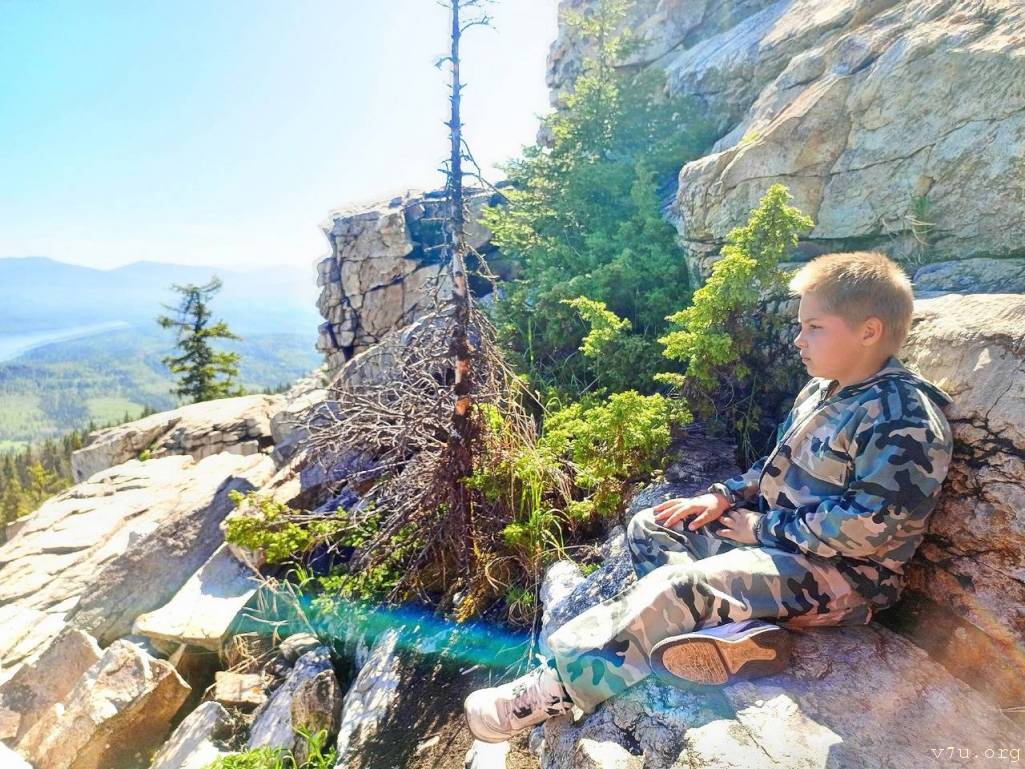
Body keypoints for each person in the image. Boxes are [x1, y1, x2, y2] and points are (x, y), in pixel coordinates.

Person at [464, 251, 954, 743]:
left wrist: (760, 529)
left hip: (841, 577)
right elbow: (773, 467)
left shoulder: (902, 416)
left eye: (814, 327)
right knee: (656, 525)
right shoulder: (825, 390)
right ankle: (733, 638)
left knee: (681, 586)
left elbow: (872, 527)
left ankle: (552, 691)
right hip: (783, 546)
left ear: (868, 332)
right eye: (801, 326)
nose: (798, 339)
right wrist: (723, 496)